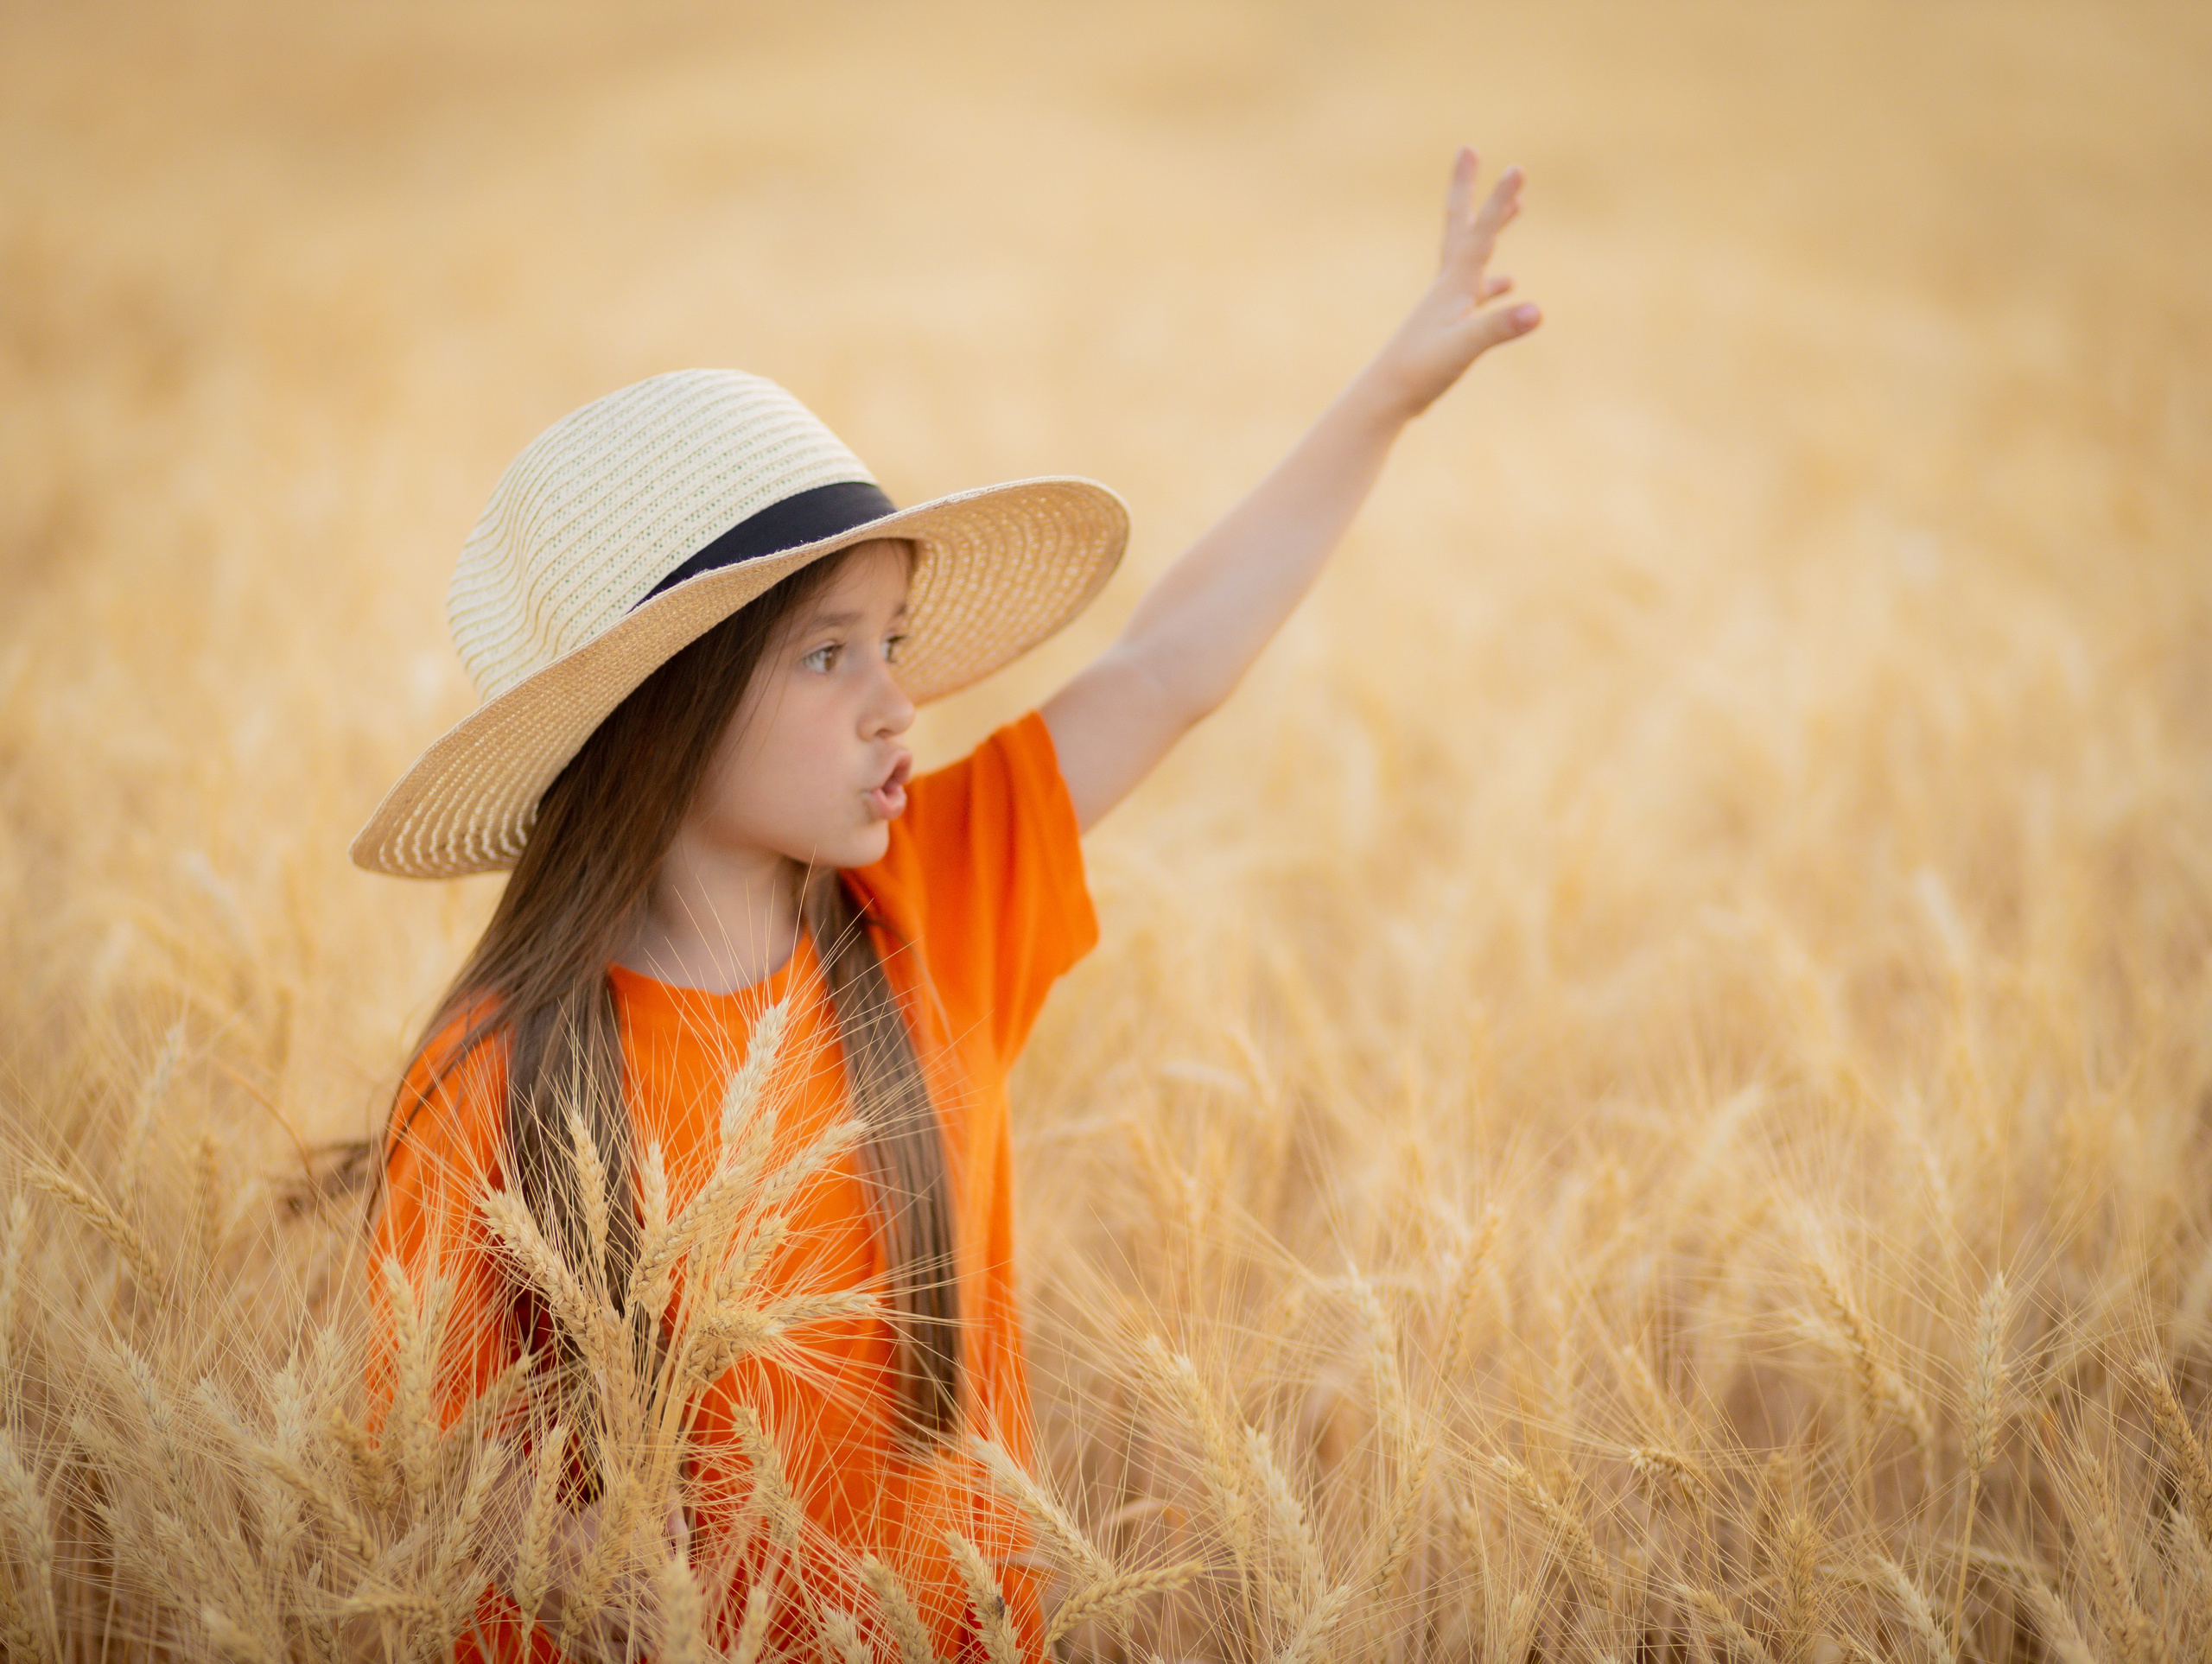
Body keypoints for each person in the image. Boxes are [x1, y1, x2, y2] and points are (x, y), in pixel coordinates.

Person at [359, 147, 1537, 1662]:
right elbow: (431, 1472)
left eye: (894, 640)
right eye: (828, 654)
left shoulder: (926, 906)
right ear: (660, 709)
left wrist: (1389, 392)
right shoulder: (499, 1076)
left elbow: (1168, 665)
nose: (898, 705)